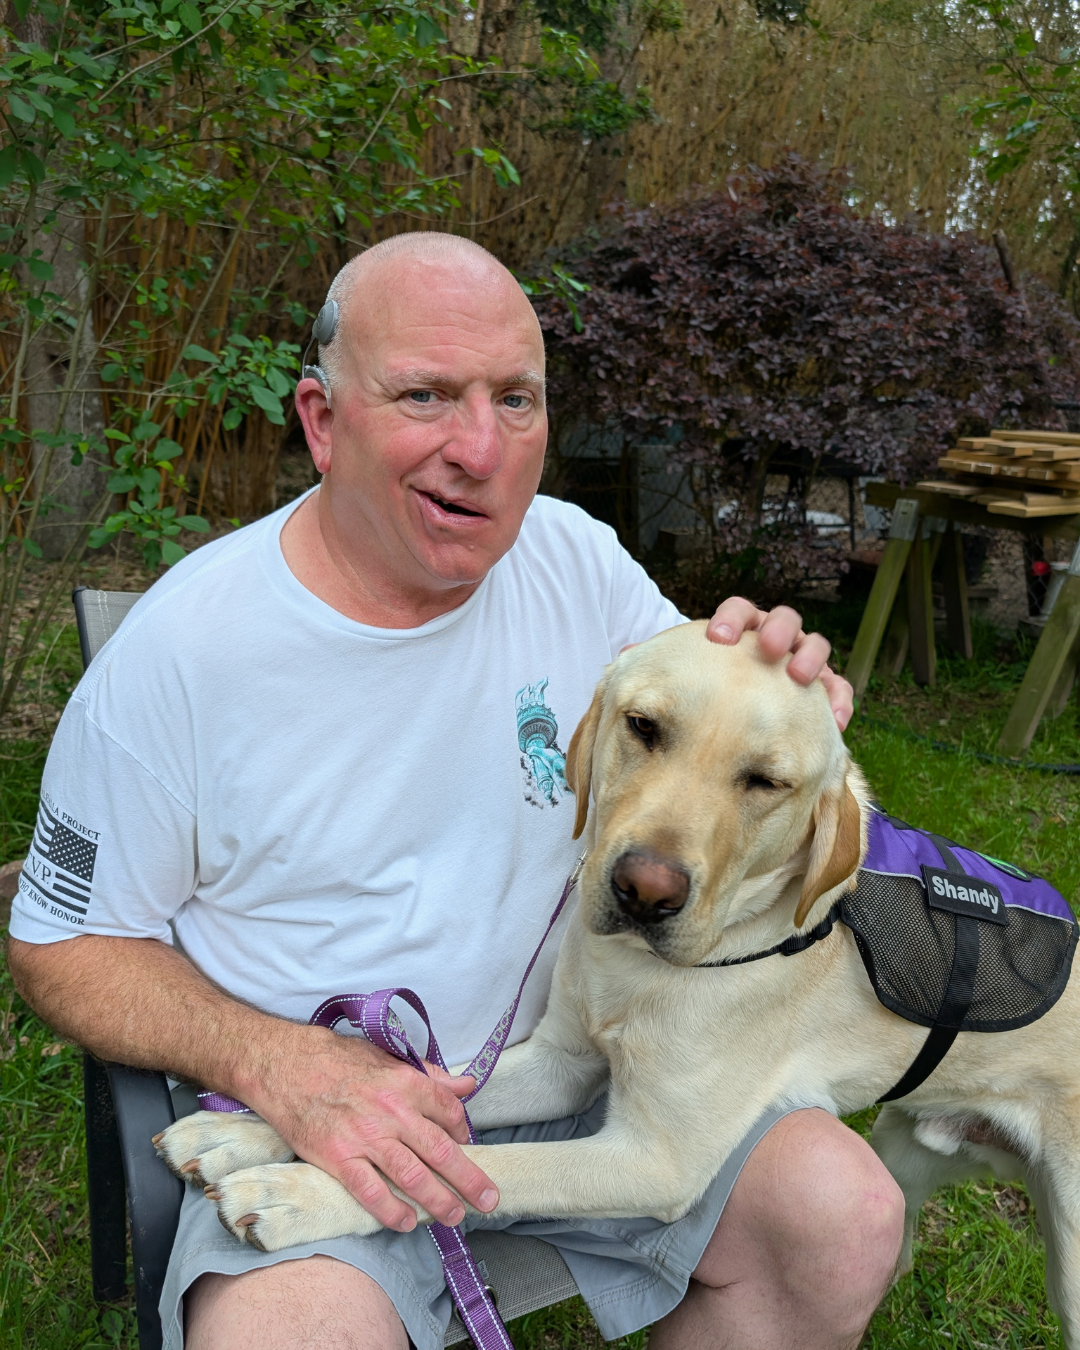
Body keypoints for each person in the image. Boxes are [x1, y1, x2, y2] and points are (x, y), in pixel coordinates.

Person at [7, 232, 903, 1350]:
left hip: (592, 1076)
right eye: (425, 395)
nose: (479, 450)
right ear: (322, 420)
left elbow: (722, 728)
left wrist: (788, 676)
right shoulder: (181, 656)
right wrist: (280, 1066)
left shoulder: (573, 559)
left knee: (842, 1219)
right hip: (325, 1120)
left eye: (514, 399)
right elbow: (62, 944)